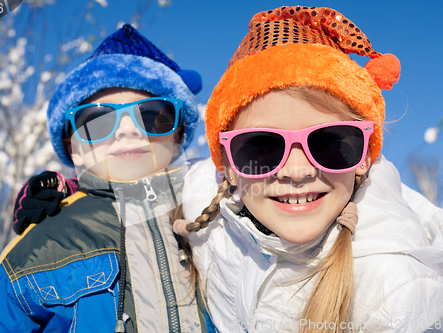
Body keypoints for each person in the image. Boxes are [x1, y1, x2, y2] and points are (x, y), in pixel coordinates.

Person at [171, 6, 443, 333]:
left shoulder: (392, 294)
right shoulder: (205, 220)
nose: (296, 171)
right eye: (262, 145)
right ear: (227, 167)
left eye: (329, 143)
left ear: (365, 158)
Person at [0, 24, 213, 332]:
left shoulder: (216, 218)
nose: (128, 130)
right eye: (97, 121)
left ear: (178, 134)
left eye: (151, 115)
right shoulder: (42, 245)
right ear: (73, 150)